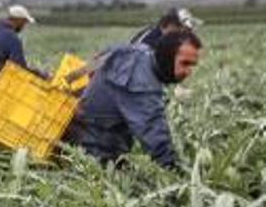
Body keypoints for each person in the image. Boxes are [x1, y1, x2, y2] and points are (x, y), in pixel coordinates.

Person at [65, 30, 203, 169]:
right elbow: (154, 135)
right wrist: (177, 171)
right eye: (184, 63)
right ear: (168, 56)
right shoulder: (140, 83)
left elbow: (99, 58)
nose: (188, 72)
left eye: (192, 65)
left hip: (93, 135)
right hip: (92, 149)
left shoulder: (140, 53)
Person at [0, 4, 37, 91]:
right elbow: (19, 67)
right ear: (18, 20)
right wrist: (39, 74)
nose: (24, 26)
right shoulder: (13, 38)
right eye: (24, 22)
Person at [130, 7, 202, 49]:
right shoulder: (149, 39)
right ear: (171, 25)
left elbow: (197, 45)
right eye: (181, 27)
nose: (182, 31)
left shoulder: (169, 38)